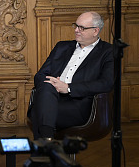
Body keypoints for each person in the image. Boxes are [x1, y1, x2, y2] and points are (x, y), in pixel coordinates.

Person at [28, 11, 114, 140]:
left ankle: (44, 146)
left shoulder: (108, 51)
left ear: (95, 31)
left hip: (79, 105)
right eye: (76, 25)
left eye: (82, 28)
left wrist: (68, 87)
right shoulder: (61, 47)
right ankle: (46, 140)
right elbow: (40, 75)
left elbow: (106, 83)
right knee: (46, 87)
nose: (76, 30)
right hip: (50, 97)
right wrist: (53, 84)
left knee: (39, 111)